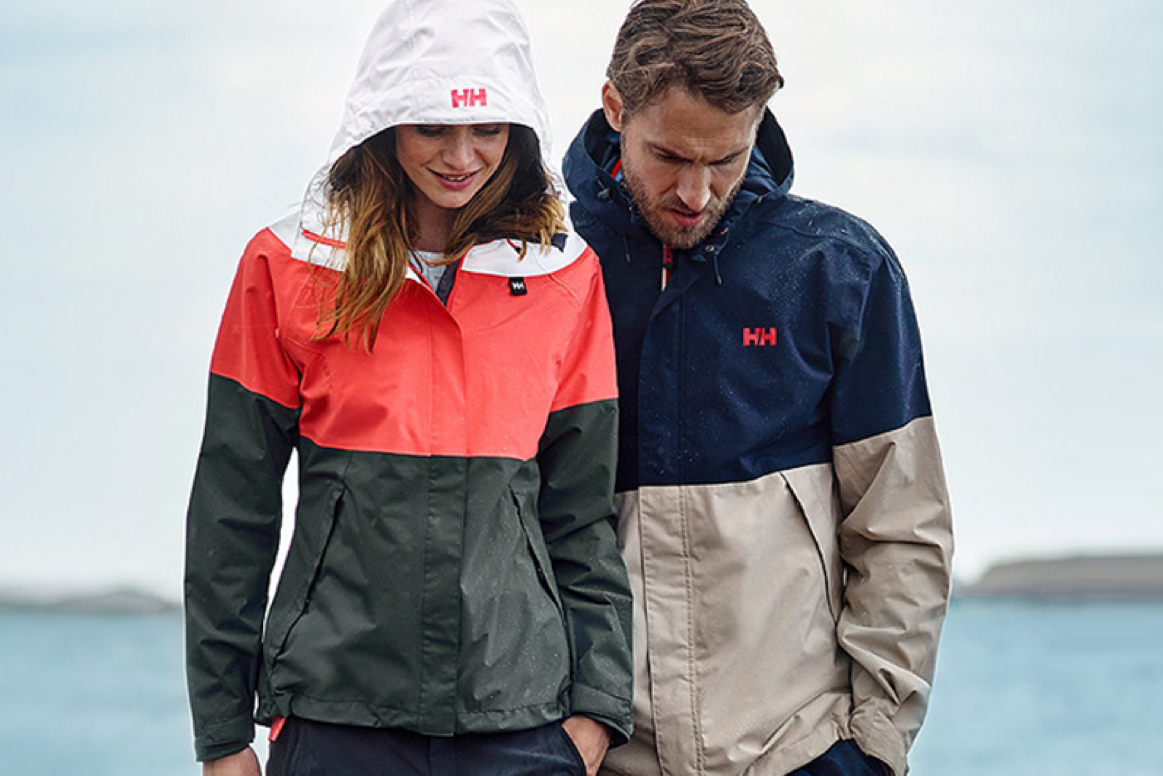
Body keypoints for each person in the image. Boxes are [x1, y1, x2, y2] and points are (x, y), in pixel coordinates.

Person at [184, 1, 633, 774]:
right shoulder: (285, 268)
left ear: (518, 129)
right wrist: (223, 736)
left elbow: (582, 515)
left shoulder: (564, 276)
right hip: (337, 713)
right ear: (384, 120)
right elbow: (233, 510)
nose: (462, 155)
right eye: (432, 126)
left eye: (487, 128)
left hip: (521, 722)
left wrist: (598, 705)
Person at [562, 1, 954, 775]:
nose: (697, 193)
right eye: (671, 155)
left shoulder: (841, 269)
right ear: (615, 108)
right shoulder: (548, 273)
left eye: (726, 159)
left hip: (803, 754)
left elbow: (901, 527)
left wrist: (873, 748)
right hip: (601, 759)